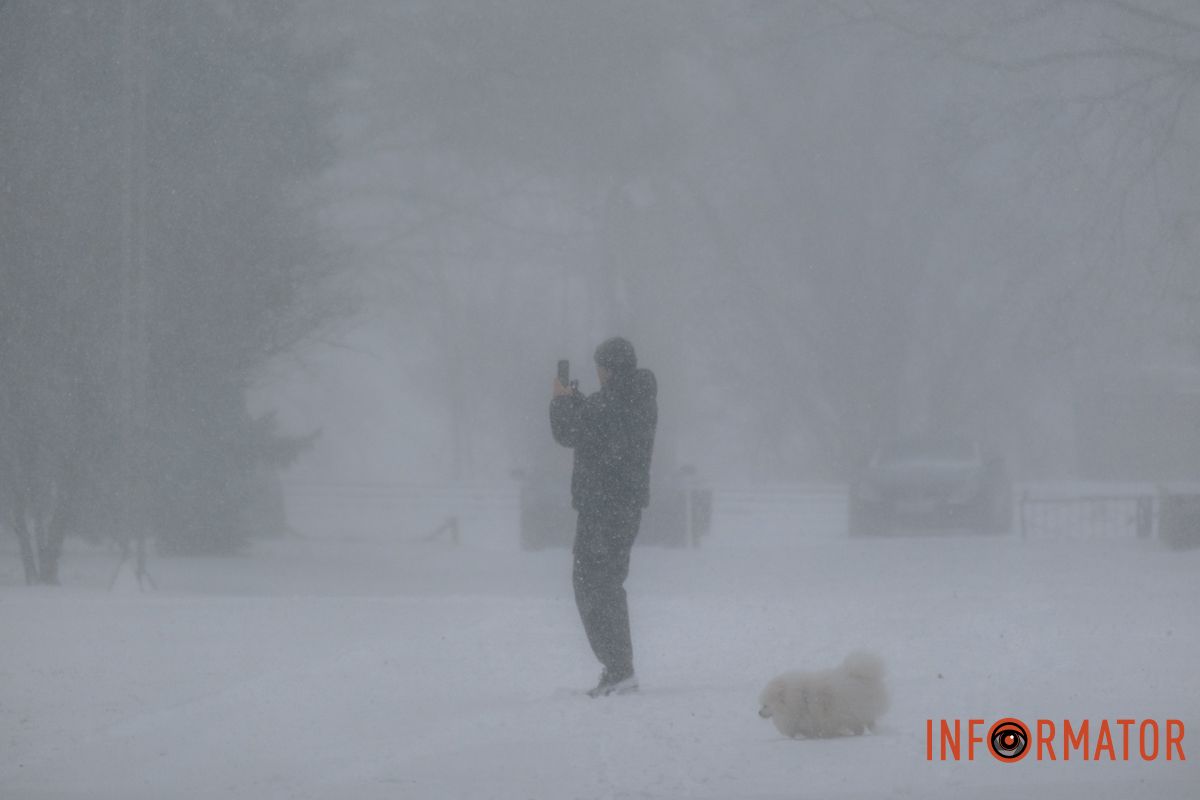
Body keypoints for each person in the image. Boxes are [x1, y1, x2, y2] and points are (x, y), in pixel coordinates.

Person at [550, 337, 657, 697]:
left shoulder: (612, 402)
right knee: (607, 583)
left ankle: (619, 669)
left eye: (599, 367)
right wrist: (581, 403)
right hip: (623, 507)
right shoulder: (636, 397)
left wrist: (560, 401)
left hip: (602, 508)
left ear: (607, 369)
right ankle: (619, 668)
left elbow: (569, 431)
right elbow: (600, 426)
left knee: (594, 585)